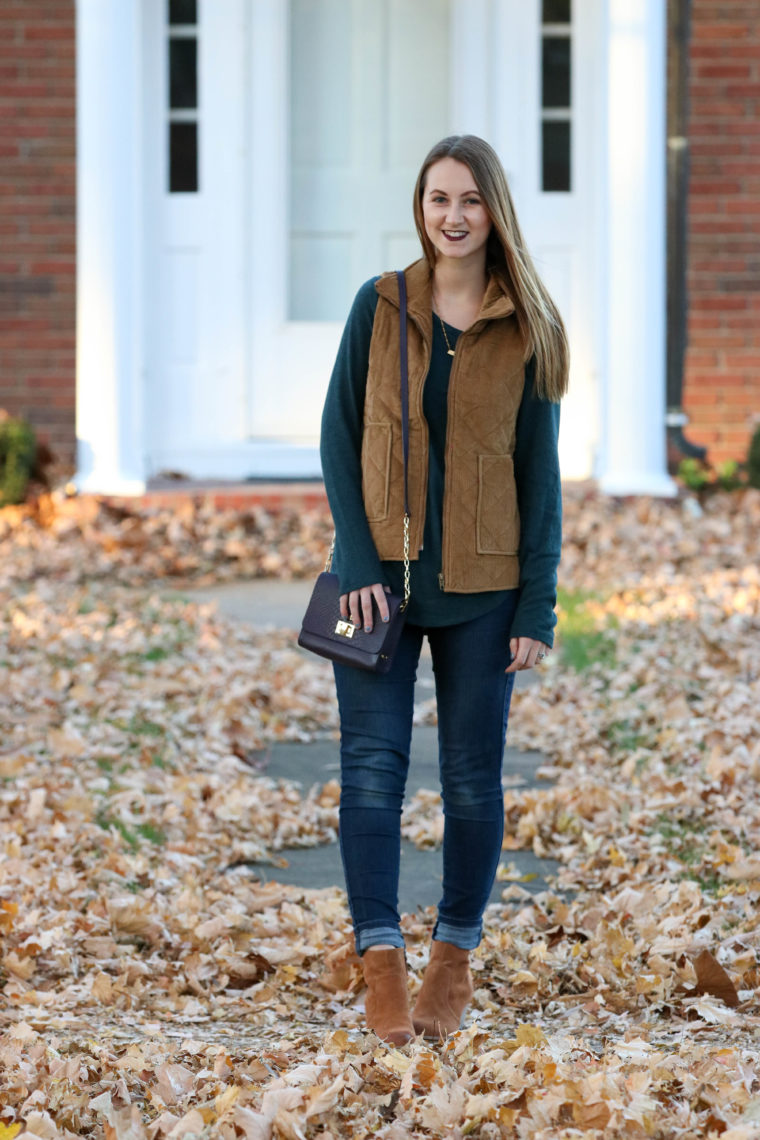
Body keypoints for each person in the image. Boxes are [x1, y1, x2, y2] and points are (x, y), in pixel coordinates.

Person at [319, 134, 568, 1044]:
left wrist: (538, 607)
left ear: (493, 210)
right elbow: (338, 440)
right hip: (377, 588)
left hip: (485, 592)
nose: (452, 217)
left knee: (471, 782)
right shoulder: (379, 307)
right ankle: (379, 959)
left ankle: (452, 960)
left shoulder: (527, 330)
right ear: (420, 210)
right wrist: (358, 564)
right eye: (437, 200)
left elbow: (539, 483)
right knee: (370, 774)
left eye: (469, 200)